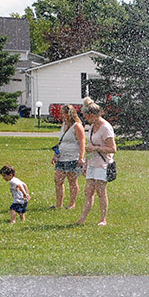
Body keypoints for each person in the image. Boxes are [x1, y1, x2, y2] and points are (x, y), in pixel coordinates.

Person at [75, 97, 116, 226]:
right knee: (88, 191)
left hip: (103, 164)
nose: (86, 120)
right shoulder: (93, 126)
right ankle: (82, 218)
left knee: (100, 192)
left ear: (92, 115)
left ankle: (103, 219)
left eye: (87, 117)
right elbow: (90, 145)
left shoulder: (106, 128)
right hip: (92, 163)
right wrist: (86, 164)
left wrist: (96, 148)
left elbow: (113, 149)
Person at [50, 104, 86, 209]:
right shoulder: (64, 124)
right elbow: (60, 142)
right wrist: (55, 155)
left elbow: (82, 142)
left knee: (72, 181)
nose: (61, 115)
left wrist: (80, 157)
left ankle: (72, 204)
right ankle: (58, 204)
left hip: (72, 157)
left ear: (69, 114)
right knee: (58, 179)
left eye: (63, 113)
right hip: (61, 157)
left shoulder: (77, 126)